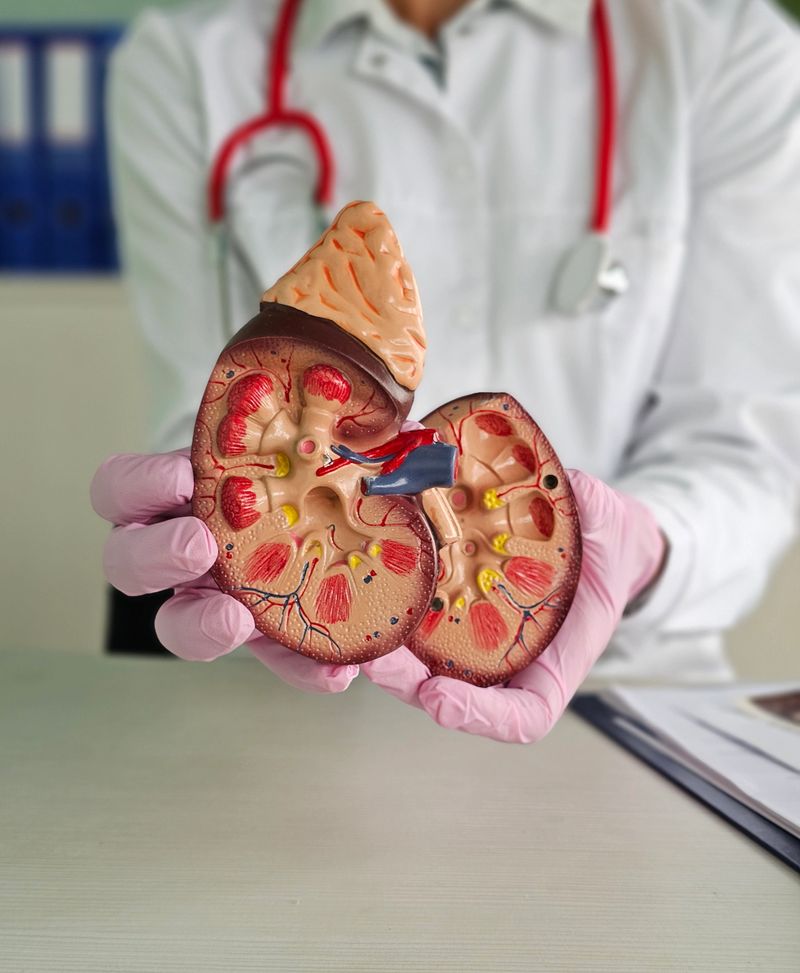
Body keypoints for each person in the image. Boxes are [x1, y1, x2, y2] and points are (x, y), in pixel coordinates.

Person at [91, 0, 800, 743]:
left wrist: (646, 543)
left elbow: (746, 448)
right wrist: (211, 521)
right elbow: (217, 417)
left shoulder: (727, 50)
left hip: (623, 704)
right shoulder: (187, 62)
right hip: (302, 707)